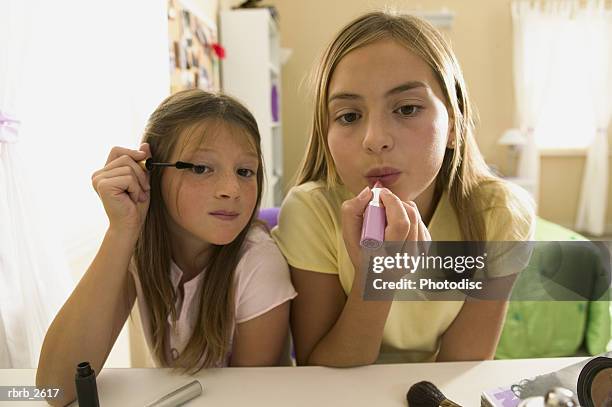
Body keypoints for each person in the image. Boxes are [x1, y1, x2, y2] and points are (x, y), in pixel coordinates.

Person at [271, 11, 535, 367]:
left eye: (407, 108)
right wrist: (376, 277)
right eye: (349, 116)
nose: (375, 139)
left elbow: (460, 369)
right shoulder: (310, 212)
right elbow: (320, 370)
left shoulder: (500, 215)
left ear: (454, 124)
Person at [37, 89, 296, 405]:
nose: (232, 190)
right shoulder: (138, 251)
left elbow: (248, 398)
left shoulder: (257, 263)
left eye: (244, 171)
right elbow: (56, 386)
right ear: (151, 172)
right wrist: (120, 232)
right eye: (201, 168)